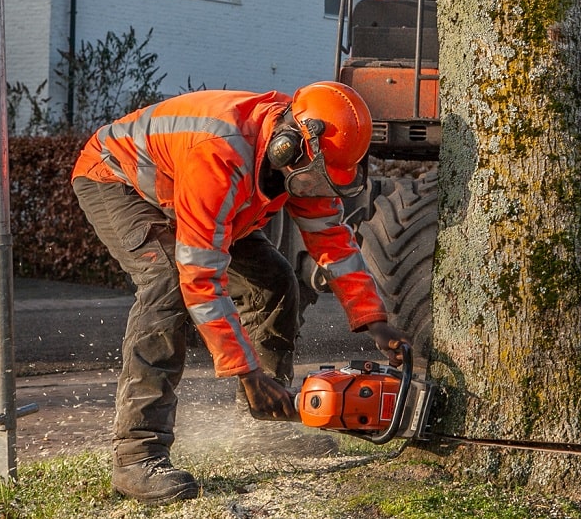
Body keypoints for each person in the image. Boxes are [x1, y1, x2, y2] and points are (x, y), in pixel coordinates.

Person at [71, 81, 408, 505]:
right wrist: (249, 375)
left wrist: (375, 322)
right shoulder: (222, 153)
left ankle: (263, 425)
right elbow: (200, 279)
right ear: (288, 148)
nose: (316, 188)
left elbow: (333, 242)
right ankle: (138, 455)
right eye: (316, 178)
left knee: (275, 282)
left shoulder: (308, 157)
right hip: (116, 178)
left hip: (199, 196)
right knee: (168, 287)